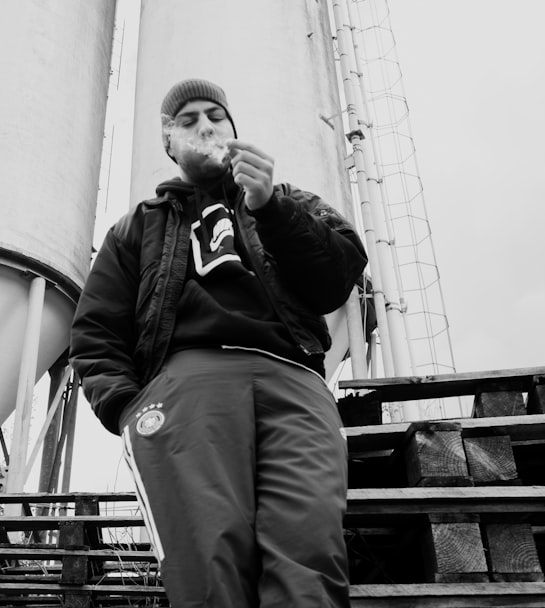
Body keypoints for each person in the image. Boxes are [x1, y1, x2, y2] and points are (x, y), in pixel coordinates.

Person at [69, 78, 366, 608]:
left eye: (215, 116)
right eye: (188, 121)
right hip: (186, 386)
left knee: (310, 553)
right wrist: (127, 406)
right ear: (168, 143)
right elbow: (95, 330)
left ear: (233, 129)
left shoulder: (288, 200)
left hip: (293, 379)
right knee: (206, 566)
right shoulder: (136, 227)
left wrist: (272, 208)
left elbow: (335, 279)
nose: (204, 126)